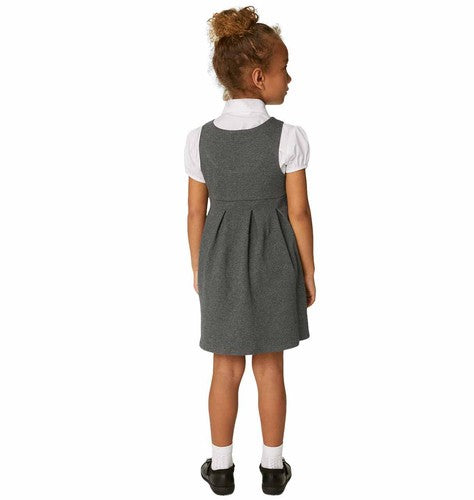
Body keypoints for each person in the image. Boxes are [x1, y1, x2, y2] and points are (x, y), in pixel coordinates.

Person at [185, 6, 316, 495]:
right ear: (259, 78)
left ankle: (220, 468)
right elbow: (299, 213)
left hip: (219, 262)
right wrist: (308, 271)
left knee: (224, 367)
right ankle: (273, 468)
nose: (290, 78)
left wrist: (199, 269)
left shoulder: (199, 140)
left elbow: (195, 213)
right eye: (284, 69)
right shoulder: (288, 138)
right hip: (276, 262)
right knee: (269, 367)